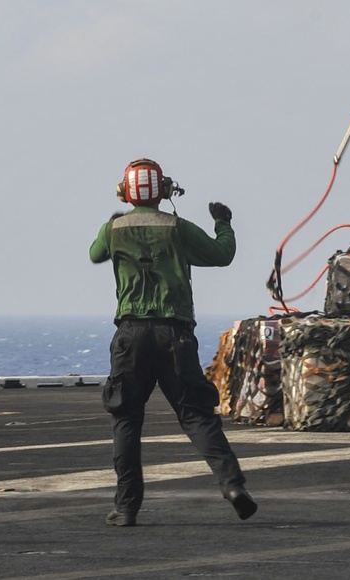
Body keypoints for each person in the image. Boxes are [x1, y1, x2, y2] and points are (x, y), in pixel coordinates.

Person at [89, 157, 256, 527]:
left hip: (131, 336)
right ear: (164, 191)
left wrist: (116, 224)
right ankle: (232, 486)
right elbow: (222, 255)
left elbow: (94, 254)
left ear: (125, 192)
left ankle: (126, 507)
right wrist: (223, 222)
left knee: (126, 418)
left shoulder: (112, 229)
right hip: (175, 336)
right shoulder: (178, 227)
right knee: (196, 415)